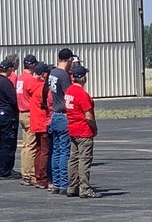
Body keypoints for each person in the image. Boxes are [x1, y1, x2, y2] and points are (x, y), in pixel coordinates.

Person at [65, 65, 102, 198]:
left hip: (72, 128)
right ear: (82, 78)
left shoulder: (69, 91)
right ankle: (84, 188)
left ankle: (72, 186)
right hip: (83, 130)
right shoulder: (82, 94)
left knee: (73, 159)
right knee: (84, 160)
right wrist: (94, 127)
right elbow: (88, 115)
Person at [48, 48, 74, 195]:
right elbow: (69, 95)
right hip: (63, 115)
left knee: (56, 151)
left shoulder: (53, 73)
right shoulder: (63, 75)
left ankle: (56, 183)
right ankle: (64, 183)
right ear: (69, 59)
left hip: (55, 114)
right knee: (64, 151)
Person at [0, 59, 21, 180]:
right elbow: (14, 100)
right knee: (8, 143)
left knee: (1, 143)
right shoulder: (6, 83)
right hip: (8, 115)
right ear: (9, 69)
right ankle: (6, 171)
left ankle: (3, 169)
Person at [29, 62, 53, 189]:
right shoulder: (43, 88)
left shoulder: (34, 86)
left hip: (35, 122)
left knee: (39, 150)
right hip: (43, 122)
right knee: (44, 151)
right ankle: (43, 178)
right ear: (44, 74)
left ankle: (38, 176)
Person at [16, 54, 38, 186]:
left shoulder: (20, 78)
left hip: (22, 112)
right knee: (31, 145)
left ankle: (25, 172)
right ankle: (29, 174)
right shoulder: (30, 79)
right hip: (29, 113)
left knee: (25, 145)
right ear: (32, 65)